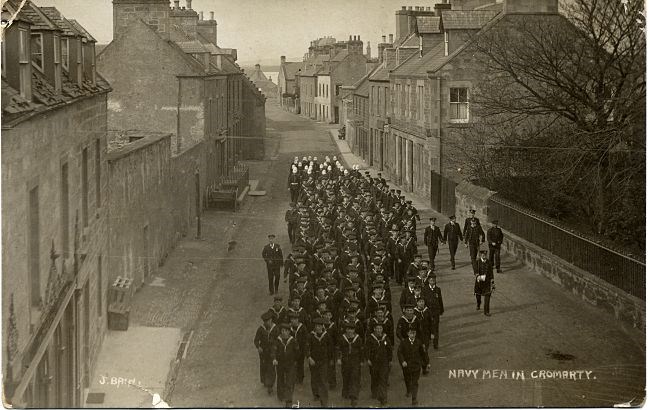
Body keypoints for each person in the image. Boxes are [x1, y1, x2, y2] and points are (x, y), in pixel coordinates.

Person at [397, 325, 429, 406]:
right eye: (411, 333)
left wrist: (427, 363)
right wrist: (403, 361)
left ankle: (414, 399)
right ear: (408, 334)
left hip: (416, 365)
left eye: (414, 333)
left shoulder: (418, 342)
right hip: (406, 366)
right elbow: (399, 353)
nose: (412, 335)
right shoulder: (404, 343)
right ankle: (408, 390)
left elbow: (423, 353)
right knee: (407, 380)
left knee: (415, 382)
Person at [305, 317, 333, 407]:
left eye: (320, 326)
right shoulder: (310, 336)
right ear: (315, 326)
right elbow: (307, 348)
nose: (318, 328)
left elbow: (330, 348)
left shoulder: (326, 336)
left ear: (323, 326)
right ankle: (316, 394)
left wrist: (331, 359)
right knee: (314, 378)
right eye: (317, 326)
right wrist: (309, 357)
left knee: (323, 380)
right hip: (313, 361)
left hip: (323, 361)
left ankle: (324, 400)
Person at [272, 323, 300, 407]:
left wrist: (295, 360)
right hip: (280, 364)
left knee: (289, 381)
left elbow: (297, 353)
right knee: (280, 379)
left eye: (286, 331)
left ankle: (288, 400)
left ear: (289, 332)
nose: (284, 333)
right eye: (282, 331)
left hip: (290, 364)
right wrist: (274, 358)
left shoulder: (293, 341)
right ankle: (280, 395)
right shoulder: (277, 341)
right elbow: (273, 350)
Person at [337, 321, 364, 407]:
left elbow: (361, 350)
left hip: (355, 361)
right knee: (346, 377)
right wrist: (338, 358)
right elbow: (338, 349)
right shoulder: (342, 338)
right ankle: (346, 392)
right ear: (345, 330)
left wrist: (362, 360)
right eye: (348, 329)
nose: (350, 331)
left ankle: (354, 397)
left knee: (354, 378)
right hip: (345, 361)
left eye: (351, 329)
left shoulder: (358, 339)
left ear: (354, 330)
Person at [366, 322, 392, 407]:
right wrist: (368, 359)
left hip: (384, 362)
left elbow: (389, 349)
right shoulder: (370, 338)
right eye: (377, 328)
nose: (379, 330)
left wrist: (390, 360)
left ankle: (383, 399)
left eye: (380, 328)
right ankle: (374, 392)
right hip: (374, 362)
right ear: (374, 329)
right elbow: (367, 349)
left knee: (383, 379)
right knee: (374, 378)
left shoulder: (385, 338)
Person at [254, 311, 279, 395]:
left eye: (267, 321)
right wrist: (258, 347)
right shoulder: (261, 329)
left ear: (271, 320)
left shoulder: (275, 329)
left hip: (272, 351)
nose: (266, 323)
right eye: (264, 321)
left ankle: (270, 385)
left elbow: (278, 339)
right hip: (263, 352)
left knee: (271, 367)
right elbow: (256, 340)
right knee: (264, 366)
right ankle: (265, 380)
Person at [423, 275, 444, 350]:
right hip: (428, 312)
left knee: (436, 328)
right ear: (428, 281)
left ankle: (436, 343)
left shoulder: (437, 289)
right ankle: (428, 340)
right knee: (428, 327)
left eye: (433, 280)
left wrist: (441, 309)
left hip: (435, 312)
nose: (432, 282)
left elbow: (440, 300)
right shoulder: (425, 289)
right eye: (431, 280)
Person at [474, 250, 494, 316]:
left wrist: (493, 282)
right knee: (478, 295)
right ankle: (478, 303)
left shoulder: (489, 262)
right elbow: (475, 271)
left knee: (487, 296)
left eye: (485, 255)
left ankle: (486, 311)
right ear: (480, 255)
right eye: (482, 255)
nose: (484, 256)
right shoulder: (477, 262)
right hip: (479, 282)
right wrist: (478, 276)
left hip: (487, 282)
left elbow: (491, 273)